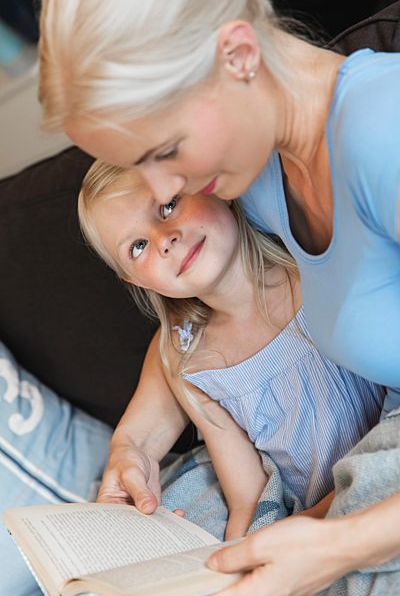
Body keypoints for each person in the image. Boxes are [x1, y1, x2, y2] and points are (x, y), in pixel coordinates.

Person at [38, 0, 400, 593]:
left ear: (236, 56)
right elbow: (193, 336)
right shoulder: (258, 179)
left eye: (164, 151)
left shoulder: (382, 131)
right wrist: (134, 442)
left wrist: (337, 542)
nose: (164, 190)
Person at [78, 159, 383, 539]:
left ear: (209, 184)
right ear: (134, 281)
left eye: (168, 205)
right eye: (138, 246)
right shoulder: (195, 367)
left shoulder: (312, 270)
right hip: (309, 530)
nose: (164, 239)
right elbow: (249, 502)